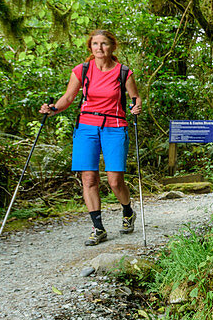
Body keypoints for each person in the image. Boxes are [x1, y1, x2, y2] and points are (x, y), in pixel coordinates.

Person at [40, 30, 142, 245]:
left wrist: (136, 106)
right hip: (86, 126)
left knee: (115, 181)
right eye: (95, 44)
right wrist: (53, 109)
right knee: (89, 179)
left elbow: (134, 97)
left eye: (104, 44)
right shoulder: (82, 70)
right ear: (90, 47)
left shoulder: (124, 72)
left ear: (112, 47)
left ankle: (127, 211)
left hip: (114, 126)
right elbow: (68, 97)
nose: (99, 48)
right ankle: (98, 228)